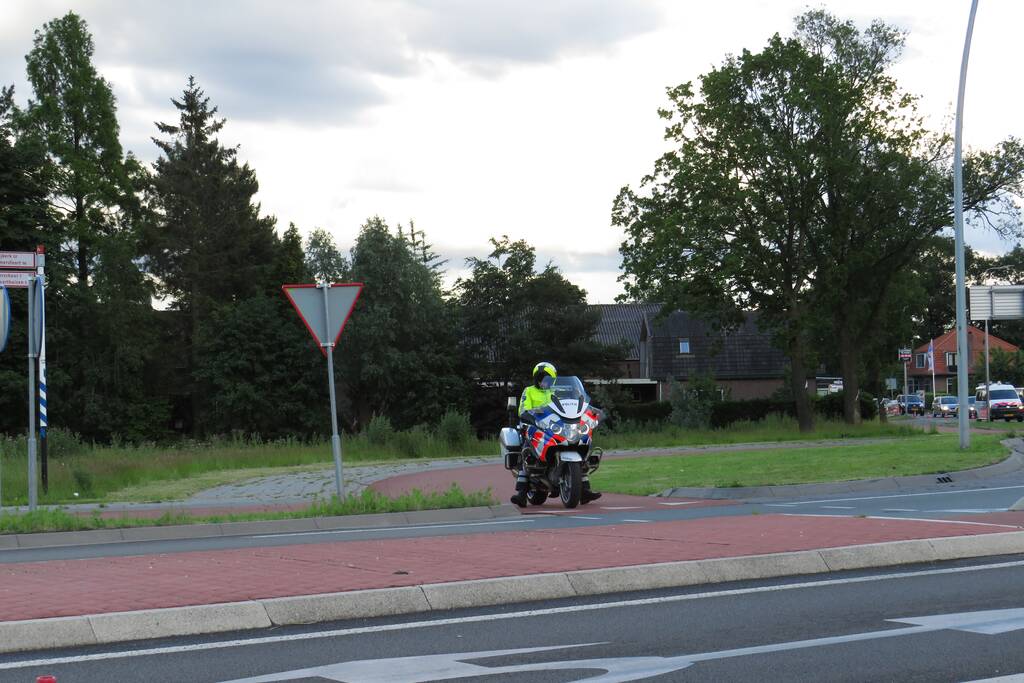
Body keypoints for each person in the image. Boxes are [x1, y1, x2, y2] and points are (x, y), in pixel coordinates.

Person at [511, 361, 601, 507]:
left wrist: (590, 410)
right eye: (542, 378)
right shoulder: (529, 391)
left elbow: (567, 407)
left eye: (548, 379)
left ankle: (584, 491)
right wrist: (527, 415)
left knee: (577, 446)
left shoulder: (554, 393)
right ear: (537, 379)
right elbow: (523, 409)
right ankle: (521, 494)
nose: (544, 382)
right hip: (534, 425)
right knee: (527, 453)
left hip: (553, 428)